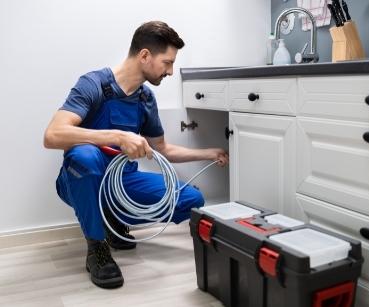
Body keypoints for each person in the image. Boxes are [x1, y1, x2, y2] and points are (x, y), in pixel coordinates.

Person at [43, 21, 229, 289]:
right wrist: (116, 136)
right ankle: (97, 248)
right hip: (81, 179)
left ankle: (114, 219)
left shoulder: (145, 99)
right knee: (85, 157)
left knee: (191, 198)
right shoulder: (93, 84)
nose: (170, 71)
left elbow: (162, 149)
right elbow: (53, 135)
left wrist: (207, 153)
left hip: (123, 183)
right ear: (144, 55)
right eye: (167, 62)